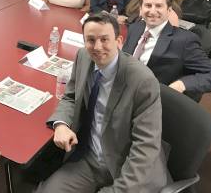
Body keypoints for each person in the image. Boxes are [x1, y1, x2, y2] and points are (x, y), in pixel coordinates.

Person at [37, 12, 169, 193]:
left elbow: (145, 148)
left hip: (128, 168)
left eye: (104, 39)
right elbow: (70, 96)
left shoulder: (142, 81)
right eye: (90, 40)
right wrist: (61, 124)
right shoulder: (83, 56)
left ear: (119, 41)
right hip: (89, 159)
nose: (97, 47)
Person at [122, 0, 211, 101]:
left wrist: (181, 84)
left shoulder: (184, 41)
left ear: (169, 10)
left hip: (152, 99)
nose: (152, 11)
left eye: (159, 6)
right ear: (140, 9)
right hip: (125, 89)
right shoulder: (135, 28)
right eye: (148, 5)